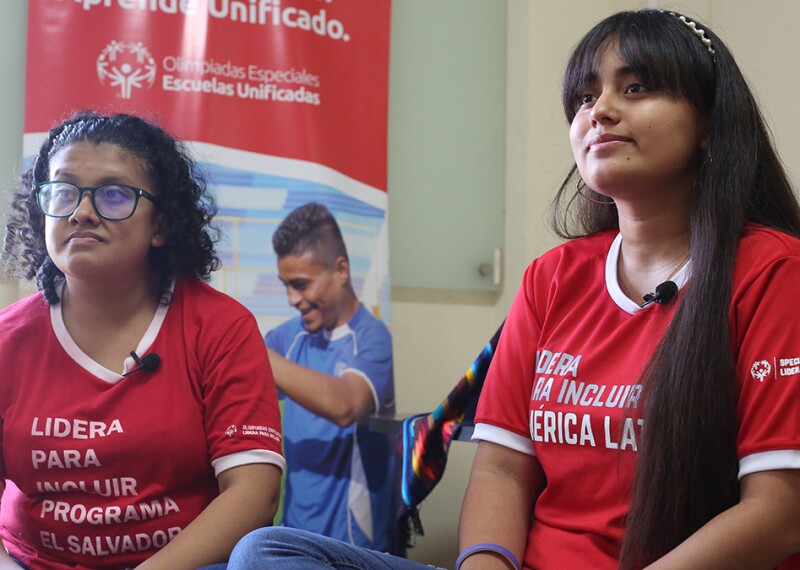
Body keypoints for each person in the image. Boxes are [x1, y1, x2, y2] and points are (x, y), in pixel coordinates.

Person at [223, 8, 800, 570]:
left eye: (638, 86)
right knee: (267, 552)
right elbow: (501, 470)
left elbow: (779, 513)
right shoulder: (553, 277)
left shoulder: (771, 270)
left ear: (707, 124)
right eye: (584, 97)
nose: (599, 111)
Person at [0, 111, 285, 570]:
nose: (82, 211)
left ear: (161, 226)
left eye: (114, 195)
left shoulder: (220, 327)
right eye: (64, 191)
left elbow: (254, 493)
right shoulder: (6, 342)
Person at [264, 203, 396, 552]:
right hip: (293, 543)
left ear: (341, 270)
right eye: (286, 285)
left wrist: (253, 350)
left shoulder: (372, 338)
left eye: (301, 284)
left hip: (353, 548)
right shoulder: (284, 340)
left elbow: (346, 405)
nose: (293, 299)